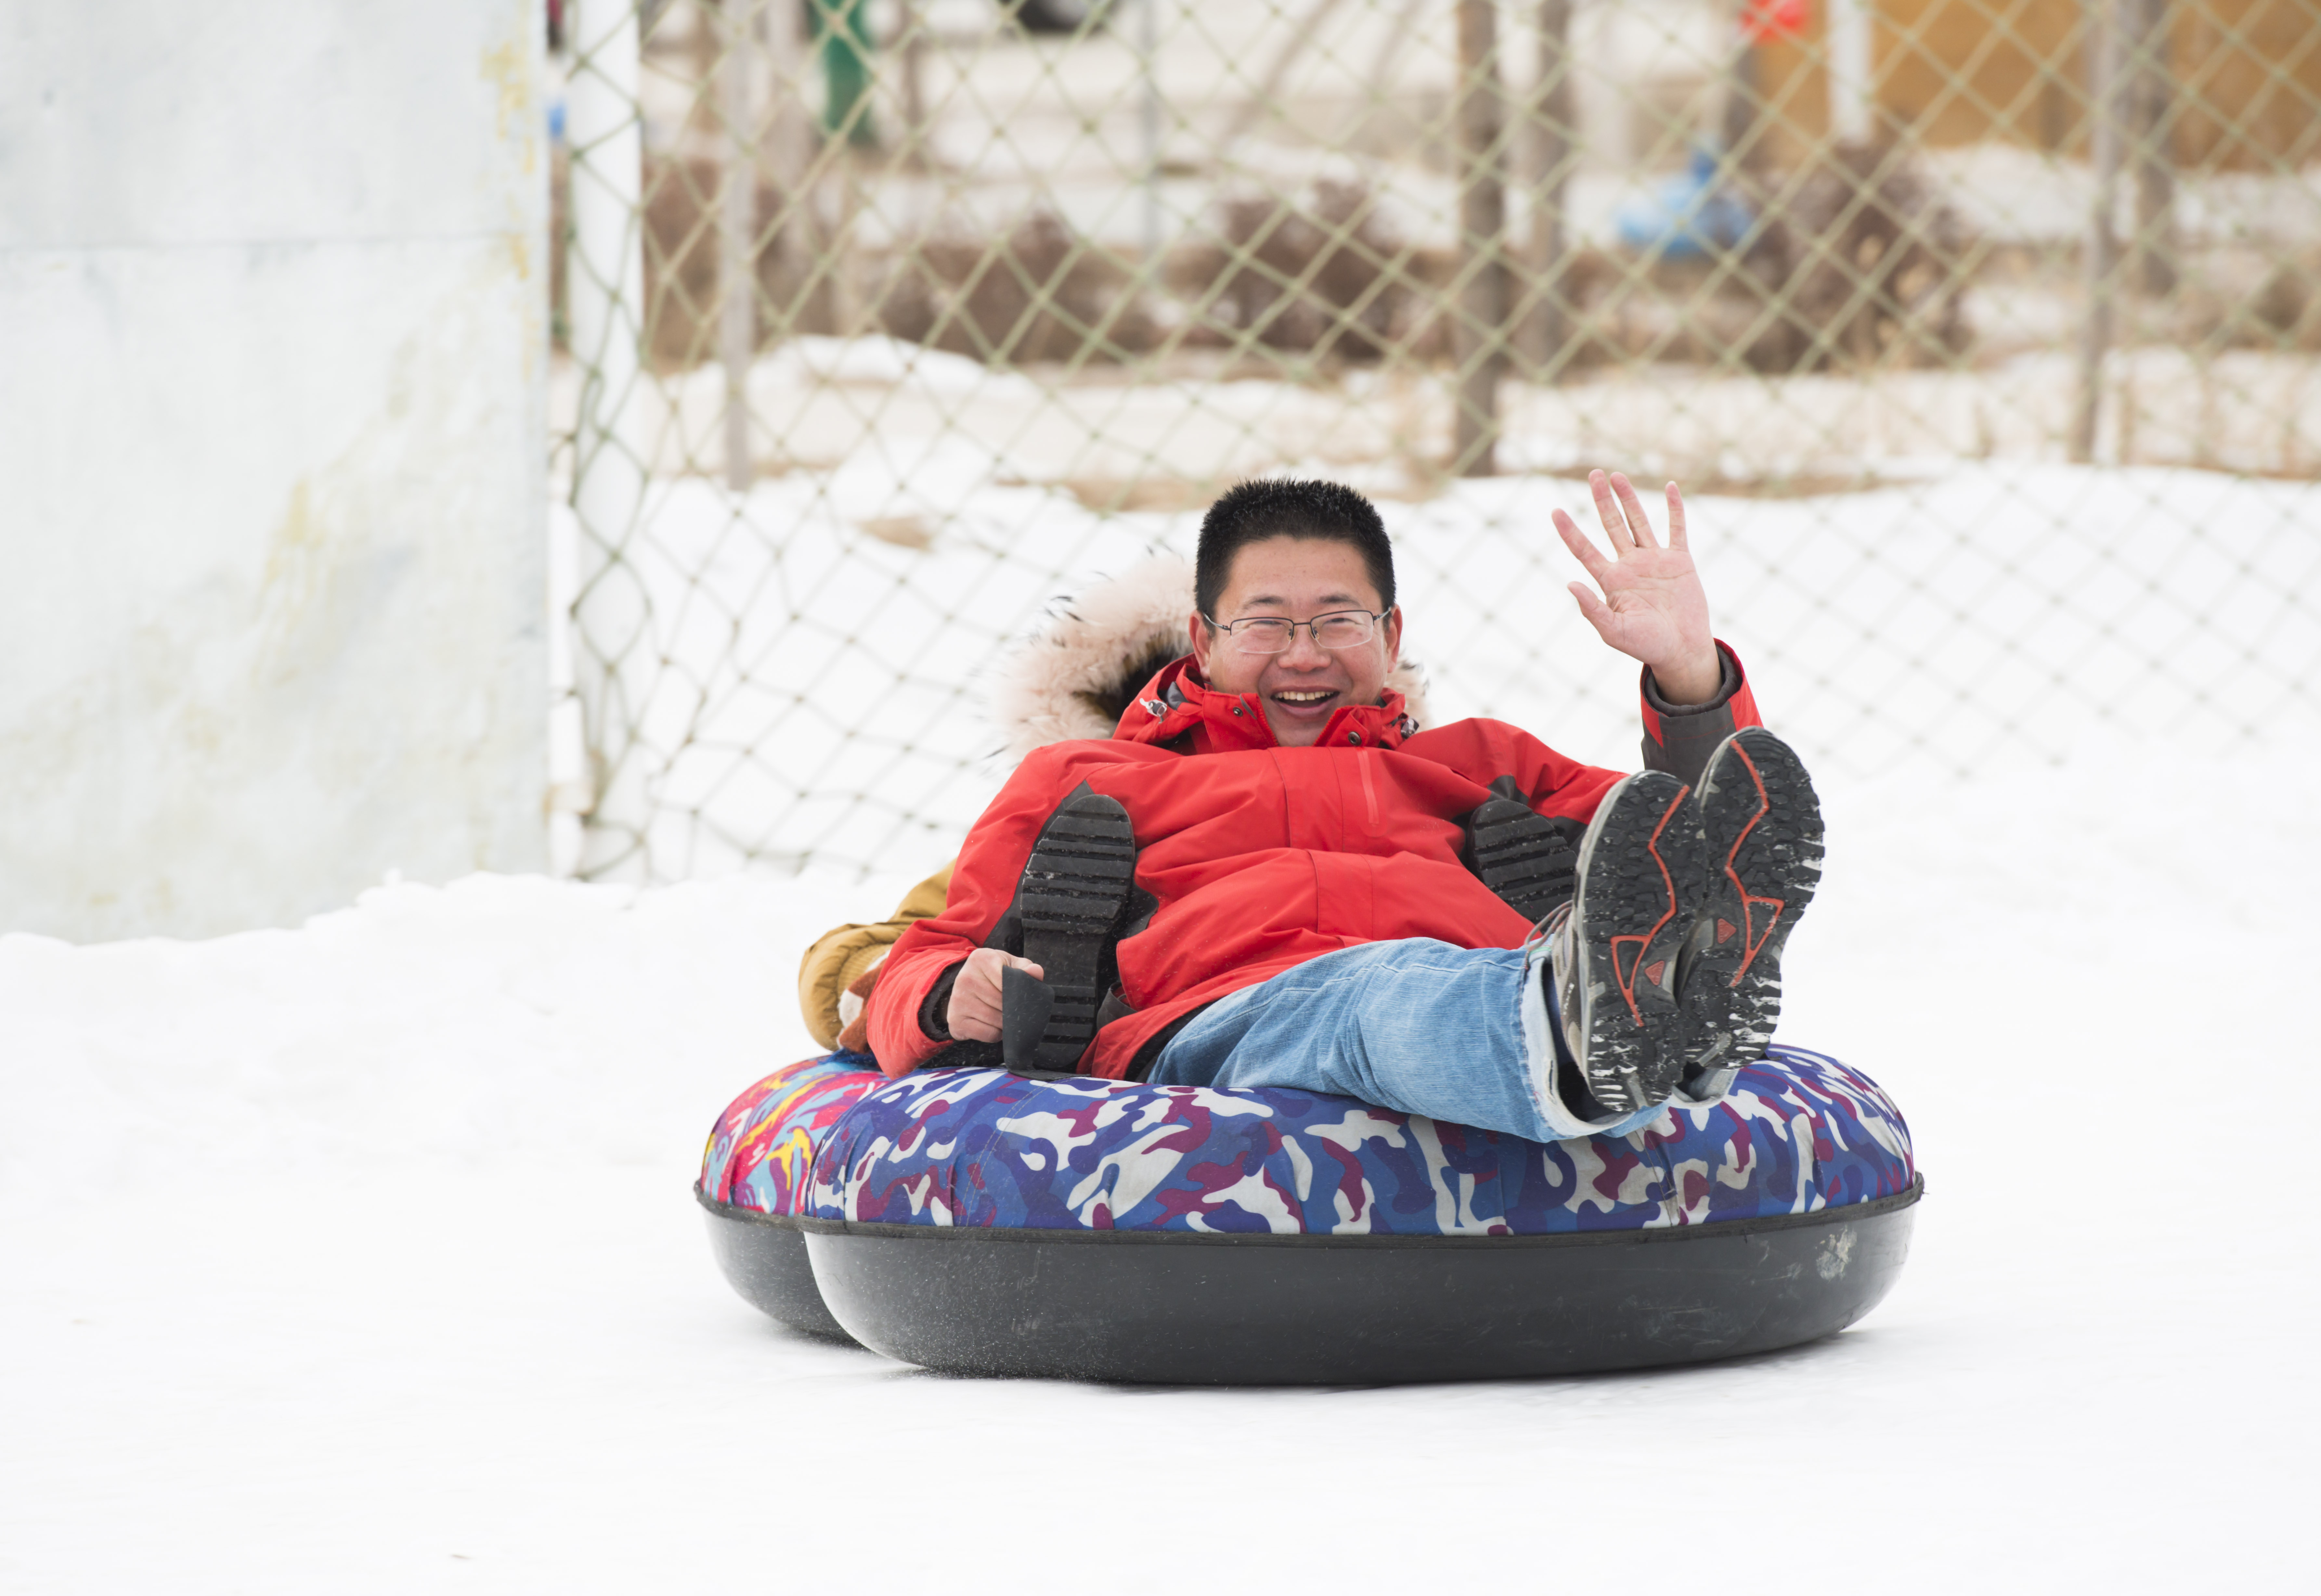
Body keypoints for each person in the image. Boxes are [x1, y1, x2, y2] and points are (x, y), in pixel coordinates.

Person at [862, 471, 1823, 1142]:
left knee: (1422, 979)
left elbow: (1695, 848)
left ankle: (1658, 1019)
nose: (1305, 655)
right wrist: (954, 994)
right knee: (1376, 993)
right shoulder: (1086, 781)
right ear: (1202, 636)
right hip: (1212, 1027)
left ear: (1391, 630)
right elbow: (921, 959)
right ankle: (1582, 1040)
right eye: (1266, 624)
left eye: (1337, 621)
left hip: (1470, 983)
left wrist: (1688, 672)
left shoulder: (1485, 763)